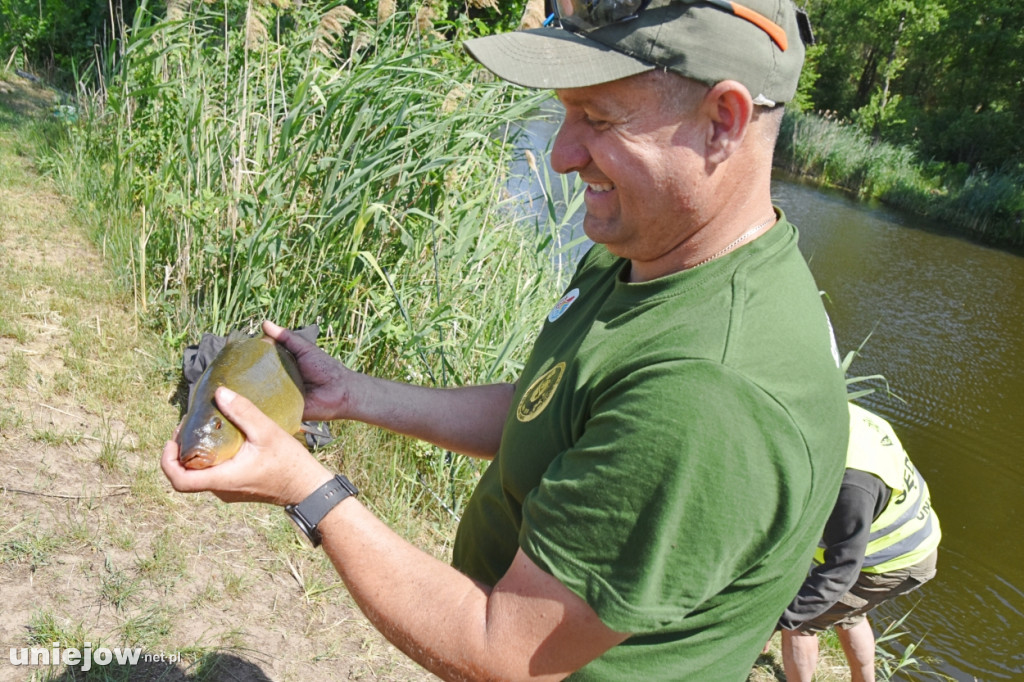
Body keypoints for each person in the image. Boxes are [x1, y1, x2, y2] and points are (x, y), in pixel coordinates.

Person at [162, 1, 850, 679]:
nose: (560, 155)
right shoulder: (648, 252)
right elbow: (550, 410)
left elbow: (506, 652)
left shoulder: (709, 387)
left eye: (599, 118)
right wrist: (352, 396)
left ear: (722, 121)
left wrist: (306, 490)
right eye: (565, 111)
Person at [776, 403, 941, 682]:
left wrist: (775, 621)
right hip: (915, 544)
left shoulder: (852, 484)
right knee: (849, 615)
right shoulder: (845, 412)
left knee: (800, 622)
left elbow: (841, 571)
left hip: (889, 559)